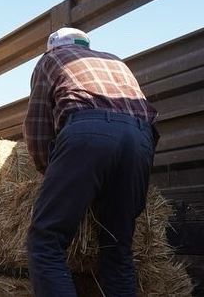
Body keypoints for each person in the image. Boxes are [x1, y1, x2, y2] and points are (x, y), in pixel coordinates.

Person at [24, 27, 159, 296]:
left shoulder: (51, 59)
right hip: (141, 137)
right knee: (117, 248)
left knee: (45, 241)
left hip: (88, 131)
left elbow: (37, 129)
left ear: (52, 47)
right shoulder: (115, 60)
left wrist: (51, 174)